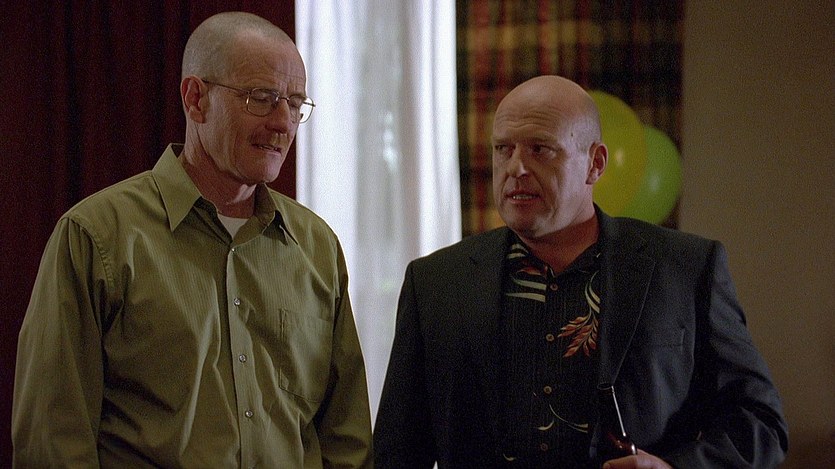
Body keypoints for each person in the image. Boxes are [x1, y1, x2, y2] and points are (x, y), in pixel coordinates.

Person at [12, 12, 372, 468]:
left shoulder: (317, 247)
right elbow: (53, 440)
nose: (283, 123)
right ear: (196, 99)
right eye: (261, 99)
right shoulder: (96, 236)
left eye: (295, 103)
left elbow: (345, 440)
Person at [373, 75, 788, 468]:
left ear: (595, 163)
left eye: (540, 149)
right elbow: (397, 451)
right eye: (503, 149)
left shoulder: (685, 268)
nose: (516, 167)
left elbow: (760, 421)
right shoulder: (436, 283)